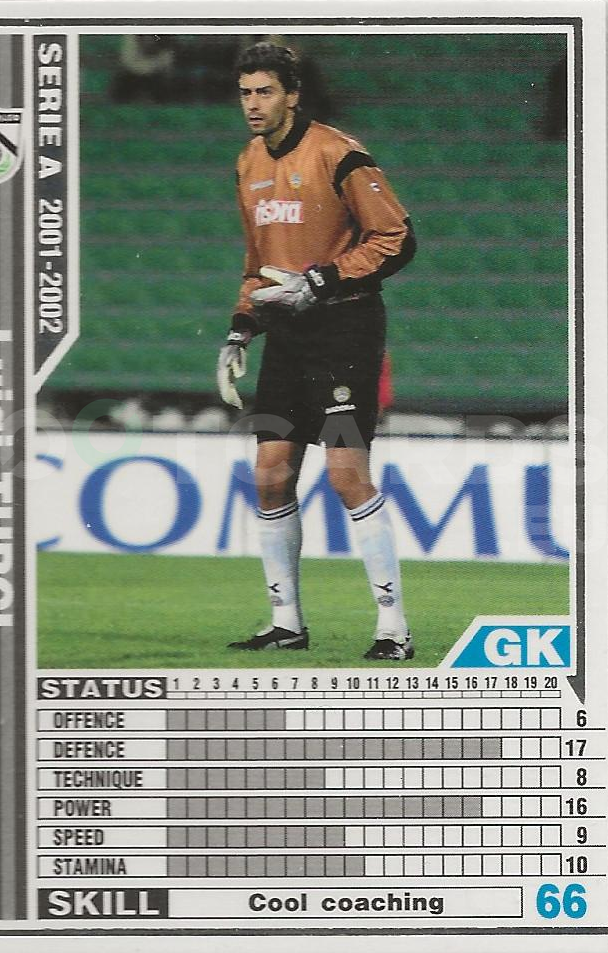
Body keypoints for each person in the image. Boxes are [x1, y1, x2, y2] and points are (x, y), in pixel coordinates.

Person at [217, 42, 416, 660]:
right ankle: (287, 624)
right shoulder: (248, 162)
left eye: (265, 91)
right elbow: (258, 263)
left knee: (345, 474)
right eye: (246, 92)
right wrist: (241, 327)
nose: (253, 103)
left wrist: (322, 280)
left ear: (293, 95)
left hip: (344, 331)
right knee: (271, 473)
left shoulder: (339, 153)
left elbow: (397, 237)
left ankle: (393, 629)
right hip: (288, 337)